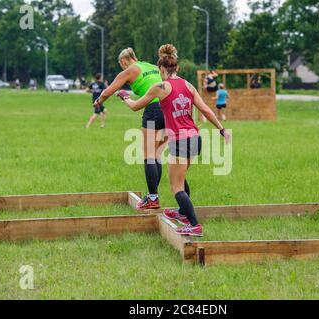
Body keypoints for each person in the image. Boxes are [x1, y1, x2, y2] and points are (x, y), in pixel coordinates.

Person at [118, 44, 231, 237]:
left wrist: (124, 97)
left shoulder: (160, 87)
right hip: (195, 139)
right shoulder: (188, 85)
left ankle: (194, 224)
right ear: (176, 68)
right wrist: (221, 129)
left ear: (161, 69)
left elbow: (136, 106)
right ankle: (182, 213)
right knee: (181, 177)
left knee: (176, 187)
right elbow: (204, 109)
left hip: (180, 141)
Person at [94, 48, 167, 210]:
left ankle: (153, 197)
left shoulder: (130, 70)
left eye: (122, 65)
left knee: (149, 155)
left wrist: (99, 101)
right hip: (168, 108)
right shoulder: (151, 66)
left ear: (124, 62)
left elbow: (109, 90)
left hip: (153, 109)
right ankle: (153, 195)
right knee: (157, 154)